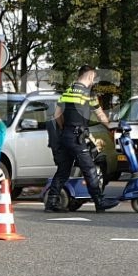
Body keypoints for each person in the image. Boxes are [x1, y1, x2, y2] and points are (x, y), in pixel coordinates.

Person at [45, 66, 115, 213]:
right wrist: (111, 127)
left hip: (65, 136)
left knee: (63, 170)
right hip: (78, 138)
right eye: (93, 77)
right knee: (89, 169)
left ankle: (51, 202)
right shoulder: (89, 94)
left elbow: (57, 114)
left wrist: (65, 128)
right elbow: (100, 115)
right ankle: (99, 201)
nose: (93, 81)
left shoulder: (68, 91)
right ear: (89, 76)